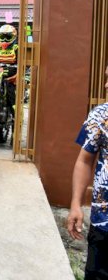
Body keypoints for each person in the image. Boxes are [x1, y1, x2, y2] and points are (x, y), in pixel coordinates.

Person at [67, 65, 108, 279]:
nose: (106, 85)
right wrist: (76, 204)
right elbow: (84, 160)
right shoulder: (100, 116)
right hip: (103, 223)